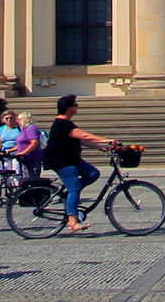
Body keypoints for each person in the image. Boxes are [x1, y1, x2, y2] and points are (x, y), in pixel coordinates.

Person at [46, 93, 119, 235]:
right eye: (75, 105)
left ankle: (70, 195)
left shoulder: (67, 123)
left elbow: (80, 140)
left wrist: (99, 147)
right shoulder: (62, 123)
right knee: (74, 187)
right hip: (61, 160)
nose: (77, 107)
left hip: (72, 158)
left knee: (93, 173)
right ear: (69, 108)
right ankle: (72, 221)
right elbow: (84, 135)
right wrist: (106, 140)